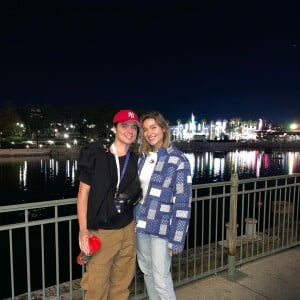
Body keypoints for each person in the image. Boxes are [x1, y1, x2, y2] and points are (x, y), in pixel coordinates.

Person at [76, 109, 142, 300]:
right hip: (102, 233)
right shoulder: (96, 156)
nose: (130, 131)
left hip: (128, 230)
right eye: (124, 126)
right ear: (114, 128)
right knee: (96, 288)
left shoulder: (136, 160)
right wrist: (83, 230)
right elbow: (83, 193)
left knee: (121, 286)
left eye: (134, 127)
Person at [135, 111, 192, 300]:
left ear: (163, 129)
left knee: (160, 276)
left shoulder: (178, 159)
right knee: (147, 271)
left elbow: (183, 202)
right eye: (145, 129)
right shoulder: (143, 158)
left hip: (162, 224)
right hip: (141, 221)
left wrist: (177, 238)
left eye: (153, 127)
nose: (149, 132)